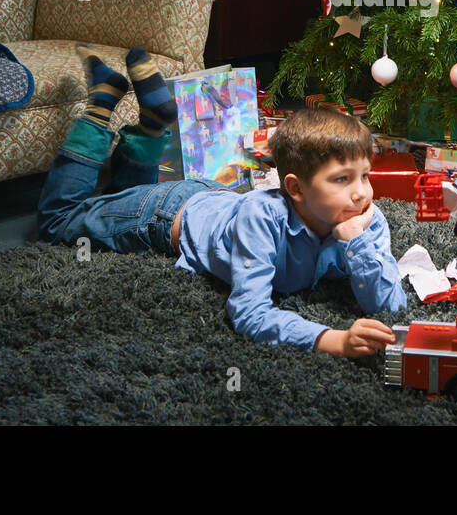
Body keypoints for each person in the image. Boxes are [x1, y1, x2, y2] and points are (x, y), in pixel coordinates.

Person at [37, 46, 404, 357]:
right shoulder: (264, 218)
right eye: (342, 180)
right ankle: (100, 107)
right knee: (59, 222)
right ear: (295, 188)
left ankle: (151, 124)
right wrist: (333, 339)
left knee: (114, 196)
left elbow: (390, 307)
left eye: (365, 175)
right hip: (169, 212)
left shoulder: (363, 218)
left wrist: (358, 244)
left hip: (221, 199)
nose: (362, 192)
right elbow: (249, 313)